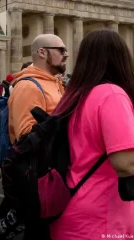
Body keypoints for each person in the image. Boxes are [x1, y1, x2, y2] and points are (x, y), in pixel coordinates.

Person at [50, 30, 134, 240]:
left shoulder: (76, 95)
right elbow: (126, 163)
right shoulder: (112, 94)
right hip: (102, 219)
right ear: (120, 58)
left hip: (72, 210)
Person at [0, 34, 69, 237]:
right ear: (42, 52)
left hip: (56, 174)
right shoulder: (29, 86)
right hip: (40, 177)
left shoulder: (54, 83)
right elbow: (25, 139)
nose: (66, 54)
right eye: (61, 50)